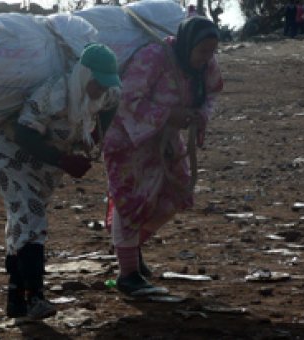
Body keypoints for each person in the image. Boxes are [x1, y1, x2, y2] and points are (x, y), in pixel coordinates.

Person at [0, 43, 121, 319]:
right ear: (85, 75)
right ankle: (35, 297)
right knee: (31, 221)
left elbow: (113, 105)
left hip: (45, 166)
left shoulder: (105, 93)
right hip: (12, 157)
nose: (100, 90)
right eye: (97, 83)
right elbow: (25, 134)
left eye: (105, 85)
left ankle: (16, 299)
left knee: (21, 223)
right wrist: (64, 161)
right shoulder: (55, 93)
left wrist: (96, 137)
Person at [102, 17, 223, 295]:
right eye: (203, 51)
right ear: (188, 44)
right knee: (131, 201)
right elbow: (128, 98)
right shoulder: (154, 58)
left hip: (165, 141)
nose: (207, 58)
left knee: (176, 194)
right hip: (127, 140)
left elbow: (212, 93)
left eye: (211, 51)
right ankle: (128, 273)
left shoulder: (205, 65)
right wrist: (169, 114)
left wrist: (198, 116)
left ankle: (131, 250)